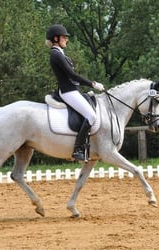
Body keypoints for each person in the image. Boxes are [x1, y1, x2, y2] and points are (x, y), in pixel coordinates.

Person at [45, 24, 105, 161]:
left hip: (72, 90)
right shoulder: (55, 54)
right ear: (56, 38)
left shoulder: (60, 53)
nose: (66, 39)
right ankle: (78, 149)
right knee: (91, 116)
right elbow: (72, 75)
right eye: (64, 37)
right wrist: (93, 84)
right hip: (67, 91)